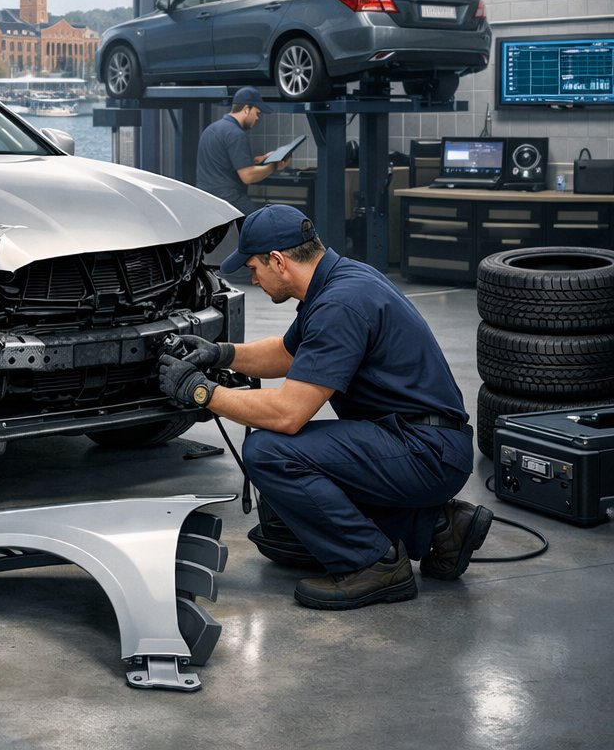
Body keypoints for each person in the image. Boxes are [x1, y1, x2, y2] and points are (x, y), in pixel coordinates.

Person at [156, 204, 493, 610]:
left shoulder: (340, 304)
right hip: (416, 439)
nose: (254, 279)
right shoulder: (341, 279)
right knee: (285, 524)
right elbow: (286, 353)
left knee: (269, 452)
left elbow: (288, 414)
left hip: (424, 450)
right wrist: (220, 354)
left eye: (254, 268)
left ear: (278, 261)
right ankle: (439, 527)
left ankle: (374, 564)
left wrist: (200, 392)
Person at [195, 85, 292, 216]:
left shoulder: (211, 129)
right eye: (257, 113)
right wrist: (274, 166)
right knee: (260, 225)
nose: (257, 118)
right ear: (247, 109)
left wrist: (262, 159)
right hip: (228, 200)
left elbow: (223, 162)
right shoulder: (236, 134)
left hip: (205, 200)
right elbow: (248, 176)